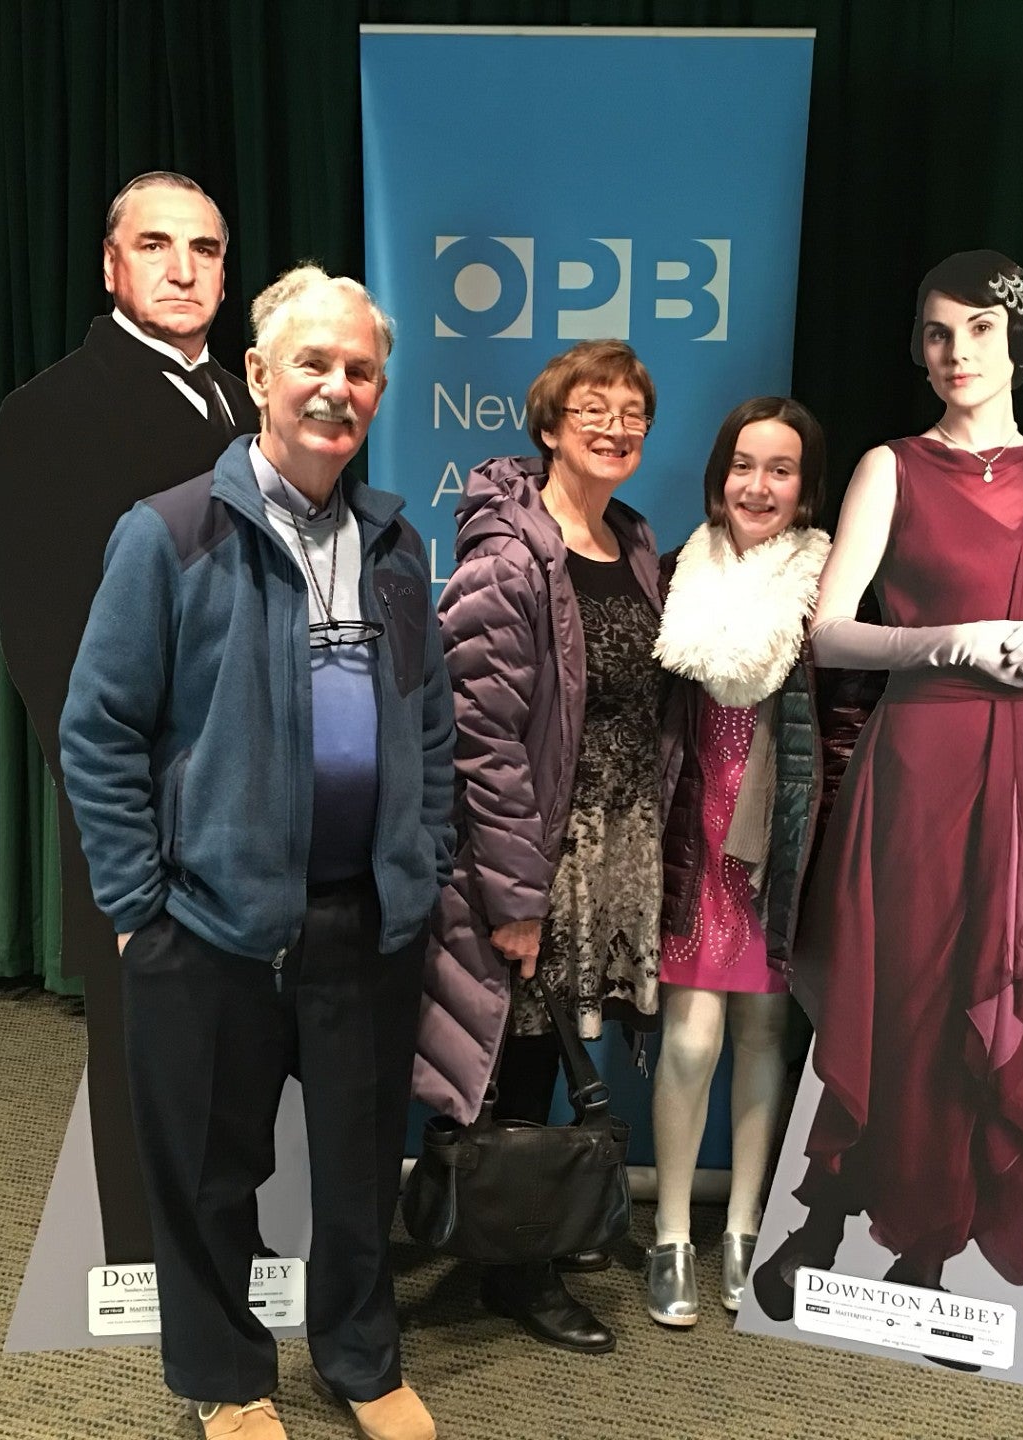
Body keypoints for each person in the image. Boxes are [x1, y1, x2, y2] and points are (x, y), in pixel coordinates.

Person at [60, 265, 451, 1440]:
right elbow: (100, 728)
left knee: (357, 1166)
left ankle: (360, 1361)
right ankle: (228, 1380)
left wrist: (420, 858)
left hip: (363, 924)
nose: (338, 389)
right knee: (207, 1177)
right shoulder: (170, 533)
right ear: (260, 377)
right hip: (211, 927)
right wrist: (139, 905)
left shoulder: (395, 547)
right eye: (315, 365)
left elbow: (427, 720)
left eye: (361, 371)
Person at [753, 251, 1023, 1343]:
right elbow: (830, 629)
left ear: (1019, 344)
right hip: (923, 751)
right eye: (939, 333)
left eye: (980, 333)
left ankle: (929, 1252)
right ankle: (832, 1213)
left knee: (1007, 984)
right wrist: (944, 639)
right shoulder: (889, 467)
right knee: (903, 986)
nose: (957, 354)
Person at [0, 170, 259, 1263]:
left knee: (236, 1034)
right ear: (112, 266)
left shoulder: (251, 398)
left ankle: (229, 1242)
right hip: (139, 788)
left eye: (204, 249)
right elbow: (45, 642)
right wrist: (109, 814)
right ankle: (150, 1268)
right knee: (143, 1030)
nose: (183, 269)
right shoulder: (50, 411)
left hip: (257, 784)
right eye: (157, 246)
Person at [419, 340, 663, 1356]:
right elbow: (480, 738)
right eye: (592, 410)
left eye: (632, 411)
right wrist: (516, 896)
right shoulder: (509, 558)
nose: (614, 426)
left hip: (614, 845)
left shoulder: (637, 544)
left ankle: (542, 1223)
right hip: (535, 853)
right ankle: (511, 1264)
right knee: (517, 1056)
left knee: (563, 1046)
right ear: (550, 427)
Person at [647, 397, 831, 1326]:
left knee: (765, 1036)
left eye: (781, 469)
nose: (758, 486)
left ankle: (745, 1229)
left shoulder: (826, 585)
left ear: (805, 488)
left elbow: (840, 727)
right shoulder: (676, 571)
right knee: (691, 1038)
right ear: (719, 476)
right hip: (692, 831)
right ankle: (673, 1234)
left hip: (780, 841)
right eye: (744, 465)